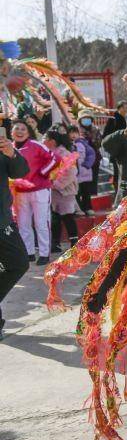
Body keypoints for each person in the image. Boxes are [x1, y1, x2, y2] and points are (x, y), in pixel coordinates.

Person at [10, 121, 56, 264]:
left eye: (23, 129)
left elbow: (54, 158)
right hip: (20, 192)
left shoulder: (36, 145)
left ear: (28, 132)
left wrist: (42, 173)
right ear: (11, 133)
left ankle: (44, 254)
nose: (20, 131)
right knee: (23, 224)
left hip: (40, 190)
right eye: (16, 128)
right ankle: (28, 253)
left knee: (41, 222)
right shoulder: (8, 148)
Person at [0, 130, 29, 337]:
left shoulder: (2, 148)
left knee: (19, 263)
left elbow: (20, 172)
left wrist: (11, 153)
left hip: (2, 220)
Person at [44, 130, 79, 254]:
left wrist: (56, 184)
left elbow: (71, 172)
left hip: (65, 191)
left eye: (45, 138)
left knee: (68, 216)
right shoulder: (49, 153)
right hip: (54, 191)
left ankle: (75, 242)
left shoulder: (64, 153)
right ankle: (55, 243)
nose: (43, 140)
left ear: (52, 141)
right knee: (55, 217)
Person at [68, 123, 96, 215]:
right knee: (76, 193)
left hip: (85, 173)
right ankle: (79, 209)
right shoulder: (67, 145)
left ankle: (88, 208)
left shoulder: (83, 143)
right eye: (70, 133)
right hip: (74, 176)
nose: (73, 135)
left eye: (75, 133)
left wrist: (87, 164)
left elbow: (91, 154)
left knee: (86, 193)